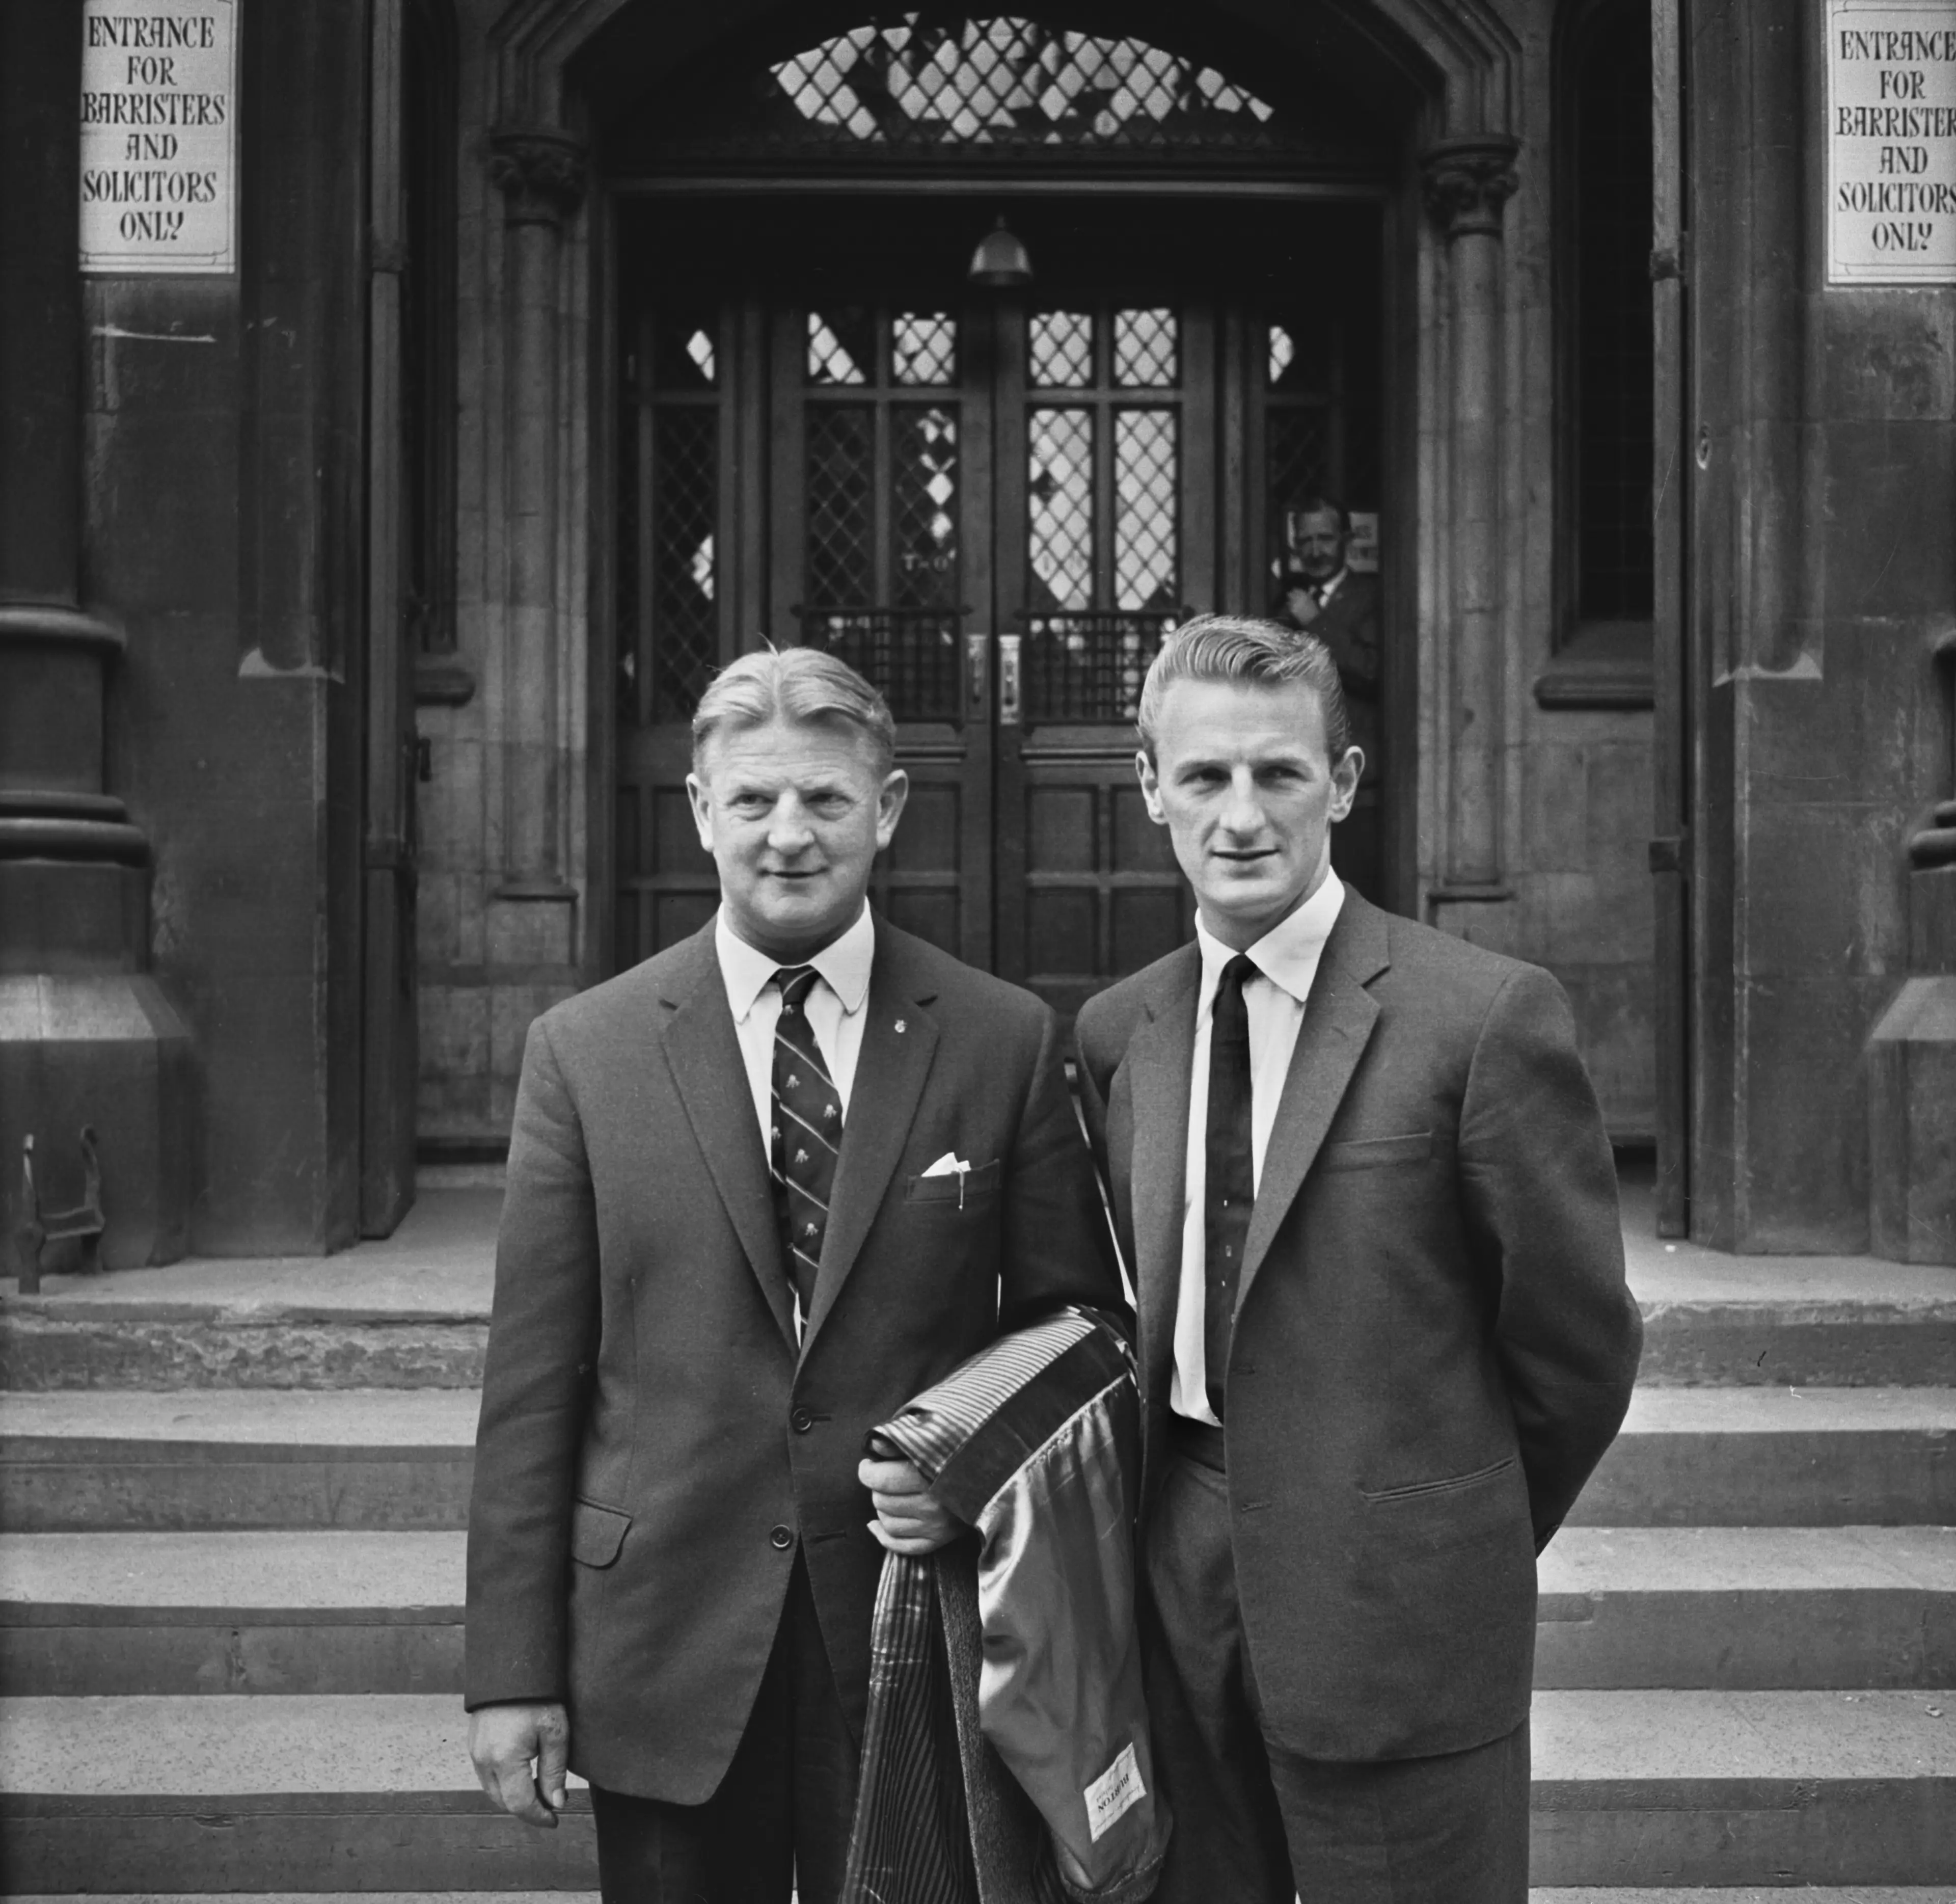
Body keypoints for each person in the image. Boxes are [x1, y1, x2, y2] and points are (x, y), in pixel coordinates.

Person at [465, 646, 1124, 1904]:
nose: (789, 834)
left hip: (909, 1628)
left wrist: (970, 1472)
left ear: (883, 811)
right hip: (659, 1636)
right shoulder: (585, 1052)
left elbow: (1076, 1328)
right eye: (755, 799)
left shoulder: (1002, 1039)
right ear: (703, 810)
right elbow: (532, 1386)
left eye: (826, 800)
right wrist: (510, 1670)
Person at [1073, 615, 1643, 1904]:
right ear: (1150, 784)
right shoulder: (1122, 1033)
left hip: (1400, 1602)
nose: (1241, 814)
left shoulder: (1482, 1015)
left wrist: (1445, 1523)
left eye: (1279, 773)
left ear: (1342, 779)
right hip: (1178, 1588)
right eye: (1205, 776)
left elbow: (1577, 1350)